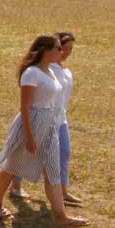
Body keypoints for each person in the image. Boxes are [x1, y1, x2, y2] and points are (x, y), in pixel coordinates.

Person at [0, 34, 88, 228]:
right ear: (45, 51)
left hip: (49, 124)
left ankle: (61, 217)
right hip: (33, 123)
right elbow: (25, 107)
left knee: (53, 169)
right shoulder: (32, 73)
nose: (63, 52)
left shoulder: (51, 71)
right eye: (58, 48)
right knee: (12, 167)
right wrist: (29, 137)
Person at [10, 32, 79, 204]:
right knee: (24, 154)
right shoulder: (44, 70)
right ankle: (14, 186)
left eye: (70, 49)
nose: (66, 52)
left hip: (59, 118)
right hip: (43, 119)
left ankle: (62, 193)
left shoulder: (64, 71)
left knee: (63, 154)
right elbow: (28, 101)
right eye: (62, 48)